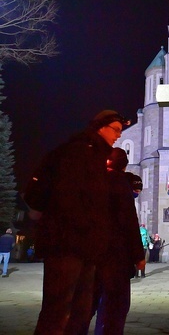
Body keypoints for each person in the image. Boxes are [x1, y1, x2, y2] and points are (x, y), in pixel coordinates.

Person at [25, 109, 131, 335]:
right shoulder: (79, 153)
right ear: (100, 127)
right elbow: (68, 197)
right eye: (116, 130)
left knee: (80, 311)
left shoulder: (96, 155)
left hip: (86, 246)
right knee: (58, 310)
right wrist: (82, 228)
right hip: (68, 244)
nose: (119, 135)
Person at [92, 151, 145, 335]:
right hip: (116, 257)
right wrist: (139, 254)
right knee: (116, 305)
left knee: (92, 303)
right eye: (136, 191)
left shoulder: (96, 181)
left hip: (94, 254)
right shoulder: (120, 186)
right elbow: (129, 222)